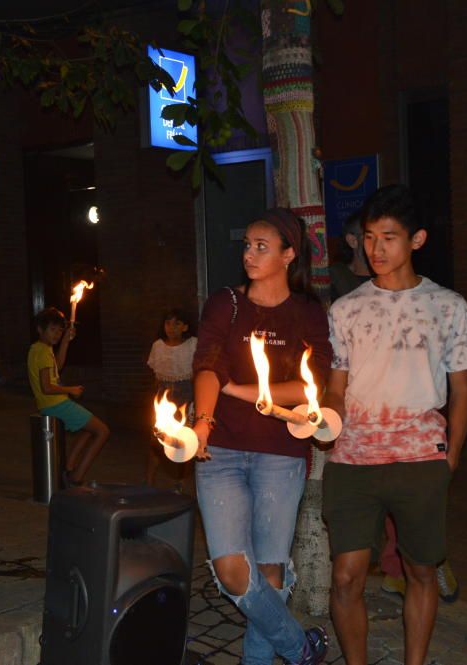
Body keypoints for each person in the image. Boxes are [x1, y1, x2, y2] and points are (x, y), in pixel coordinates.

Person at [323, 184, 467, 665]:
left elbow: (463, 390)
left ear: (416, 240)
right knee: (345, 577)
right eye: (369, 237)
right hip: (352, 461)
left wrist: (451, 456)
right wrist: (325, 418)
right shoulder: (346, 309)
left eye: (388, 237)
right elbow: (336, 387)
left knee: (420, 571)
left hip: (420, 460)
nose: (375, 249)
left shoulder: (448, 306)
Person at [191, 208, 332, 665]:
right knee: (232, 570)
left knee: (270, 572)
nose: (249, 254)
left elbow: (313, 383)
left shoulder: (307, 312)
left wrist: (239, 390)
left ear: (289, 255)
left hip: (280, 454)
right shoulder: (226, 303)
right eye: (247, 245)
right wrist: (203, 421)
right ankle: (300, 648)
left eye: (261, 246)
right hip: (222, 452)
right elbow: (207, 364)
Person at [27, 306, 110, 486]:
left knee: (88, 429)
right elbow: (46, 387)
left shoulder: (38, 348)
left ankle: (69, 467)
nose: (56, 334)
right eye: (52, 329)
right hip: (56, 404)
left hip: (50, 404)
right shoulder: (43, 352)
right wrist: (70, 390)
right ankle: (75, 477)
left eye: (59, 331)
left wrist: (65, 342)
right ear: (40, 329)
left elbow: (57, 367)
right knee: (102, 431)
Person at [146, 308, 198, 487]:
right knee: (157, 440)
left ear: (185, 327)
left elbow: (198, 375)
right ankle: (148, 482)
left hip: (187, 396)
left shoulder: (192, 344)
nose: (171, 327)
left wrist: (195, 402)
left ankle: (181, 483)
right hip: (163, 397)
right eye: (168, 323)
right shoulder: (158, 346)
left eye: (177, 323)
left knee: (184, 440)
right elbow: (156, 377)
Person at [328, 210, 371, 302]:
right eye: (370, 237)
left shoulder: (392, 279)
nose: (379, 245)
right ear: (353, 241)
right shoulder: (336, 278)